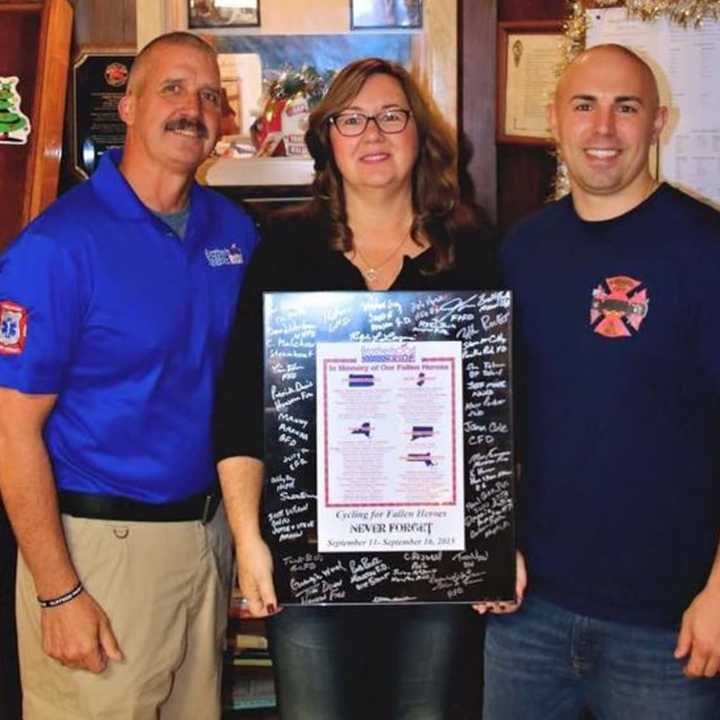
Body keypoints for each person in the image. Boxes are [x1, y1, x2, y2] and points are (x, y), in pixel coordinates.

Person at [214, 57, 499, 720]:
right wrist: (248, 537)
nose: (373, 133)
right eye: (351, 118)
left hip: (436, 559)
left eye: (391, 116)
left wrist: (496, 540)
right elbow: (238, 402)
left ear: (419, 136)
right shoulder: (287, 249)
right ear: (327, 139)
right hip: (308, 560)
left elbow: (493, 412)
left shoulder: (471, 250)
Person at [0, 32, 258, 720]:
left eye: (209, 95)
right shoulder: (56, 246)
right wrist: (58, 593)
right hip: (99, 556)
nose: (192, 108)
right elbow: (11, 432)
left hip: (207, 543)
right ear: (131, 103)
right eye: (172, 88)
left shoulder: (234, 232)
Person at [483, 43, 720, 719]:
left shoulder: (706, 251)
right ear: (556, 120)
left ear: (659, 122)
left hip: (668, 627)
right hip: (530, 612)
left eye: (626, 107)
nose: (604, 128)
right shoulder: (522, 250)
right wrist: (489, 545)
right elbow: (496, 418)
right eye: (584, 107)